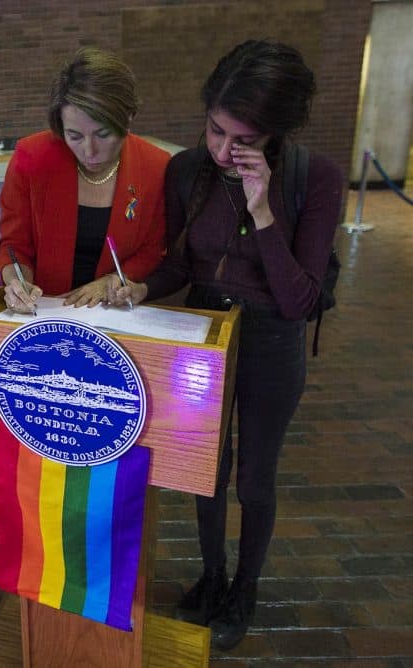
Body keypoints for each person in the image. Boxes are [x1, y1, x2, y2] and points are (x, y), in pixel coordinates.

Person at [107, 41, 343, 650]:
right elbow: (180, 265)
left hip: (271, 339)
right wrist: (138, 286)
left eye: (242, 140)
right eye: (215, 129)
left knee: (254, 480)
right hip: (203, 334)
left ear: (275, 134)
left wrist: (263, 209)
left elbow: (300, 300)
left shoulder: (314, 178)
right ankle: (211, 577)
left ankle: (245, 587)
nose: (222, 150)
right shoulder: (187, 170)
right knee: (202, 470)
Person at [0, 46, 170, 314]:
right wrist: (17, 283)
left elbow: (153, 251)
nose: (89, 151)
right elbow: (14, 246)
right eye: (75, 136)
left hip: (117, 314)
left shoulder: (156, 167)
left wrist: (110, 282)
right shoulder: (30, 158)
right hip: (44, 312)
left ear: (128, 119)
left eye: (102, 134)